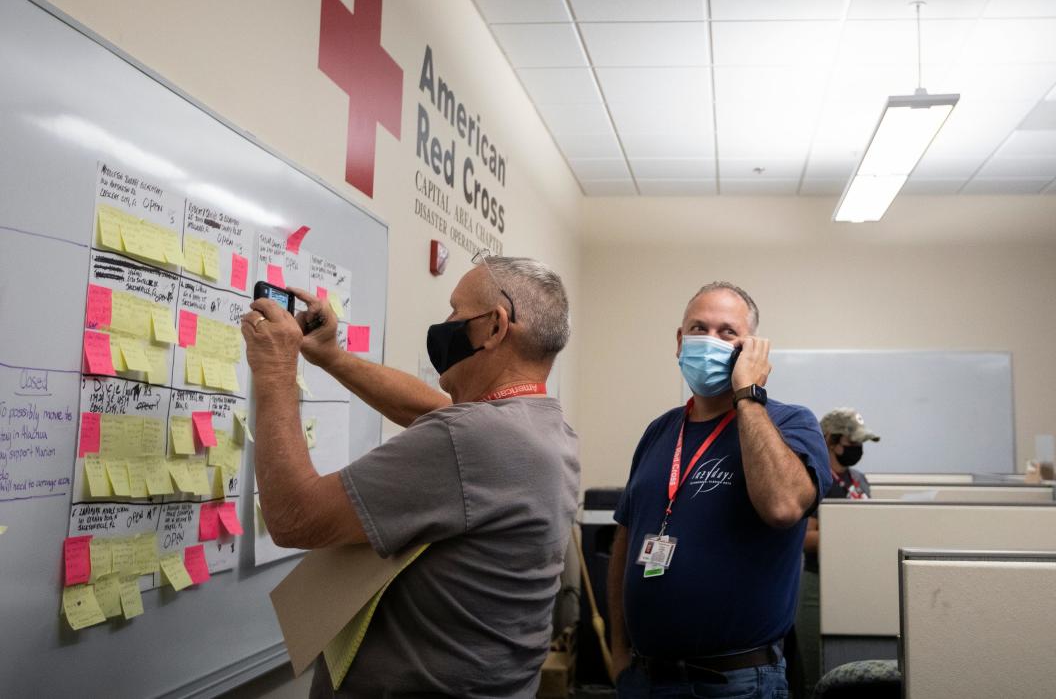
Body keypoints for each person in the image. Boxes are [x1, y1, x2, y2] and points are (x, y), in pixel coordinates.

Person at [241, 254, 580, 698]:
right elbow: (435, 412)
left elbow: (292, 516)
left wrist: (275, 367)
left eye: (456, 312)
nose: (446, 324)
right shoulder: (541, 428)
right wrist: (331, 357)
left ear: (495, 327)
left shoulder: (471, 440)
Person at [607, 282, 831, 698]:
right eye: (698, 328)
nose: (710, 341)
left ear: (752, 348)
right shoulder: (660, 431)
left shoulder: (792, 424)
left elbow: (782, 507)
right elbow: (626, 536)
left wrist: (749, 396)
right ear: (679, 341)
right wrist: (618, 653)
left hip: (736, 682)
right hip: (644, 677)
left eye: (727, 332)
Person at [791, 409, 881, 697]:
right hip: (819, 583)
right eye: (851, 442)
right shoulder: (814, 479)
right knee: (816, 674)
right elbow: (804, 537)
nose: (857, 449)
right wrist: (849, 535)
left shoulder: (859, 479)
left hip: (858, 581)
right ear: (830, 440)